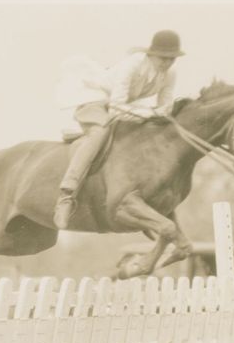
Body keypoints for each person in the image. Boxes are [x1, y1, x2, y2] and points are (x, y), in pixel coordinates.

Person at [52, 30, 185, 229]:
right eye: (163, 58)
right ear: (151, 54)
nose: (167, 63)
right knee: (100, 132)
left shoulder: (170, 74)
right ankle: (66, 194)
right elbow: (117, 107)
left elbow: (165, 107)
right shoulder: (133, 64)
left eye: (171, 59)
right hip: (94, 99)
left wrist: (158, 115)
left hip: (119, 107)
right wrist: (151, 113)